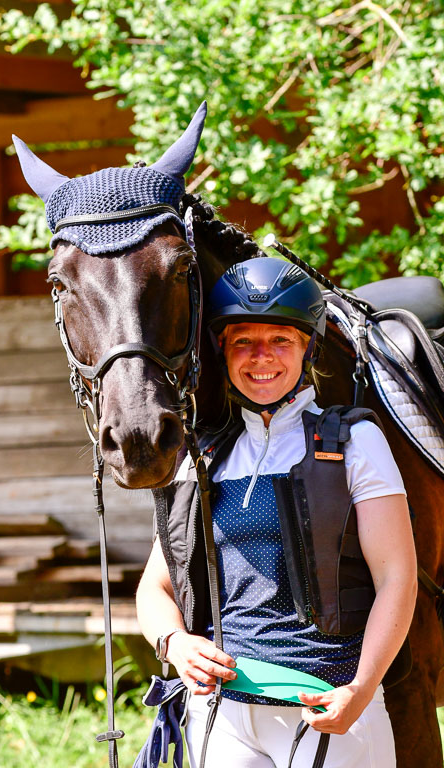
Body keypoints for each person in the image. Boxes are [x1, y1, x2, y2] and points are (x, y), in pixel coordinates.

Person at [136, 257, 417, 768]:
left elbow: (398, 578)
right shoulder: (203, 457)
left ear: (307, 346)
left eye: (280, 341)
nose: (261, 357)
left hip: (327, 707)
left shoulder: (355, 441)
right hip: (220, 712)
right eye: (243, 341)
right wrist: (175, 642)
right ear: (223, 350)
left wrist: (360, 688)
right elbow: (155, 586)